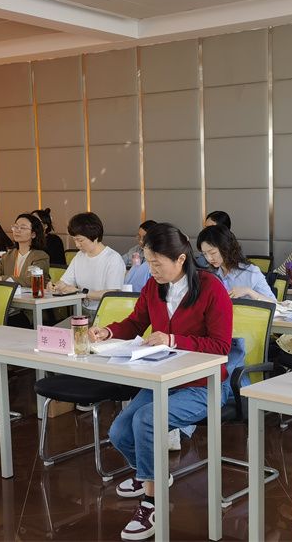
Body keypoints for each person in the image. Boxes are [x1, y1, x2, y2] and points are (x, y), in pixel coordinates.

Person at [88, 223, 233, 541]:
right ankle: (151, 474)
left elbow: (221, 347)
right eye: (148, 262)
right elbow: (135, 322)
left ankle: (152, 501)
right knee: (119, 431)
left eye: (157, 263)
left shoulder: (211, 288)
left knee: (146, 420)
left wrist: (173, 339)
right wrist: (108, 331)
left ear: (181, 259)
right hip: (164, 380)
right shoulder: (154, 287)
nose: (151, 270)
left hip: (203, 384)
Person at [48, 212, 125, 318]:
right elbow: (65, 281)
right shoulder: (79, 256)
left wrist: (80, 292)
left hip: (105, 312)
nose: (77, 245)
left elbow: (111, 293)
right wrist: (56, 286)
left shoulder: (113, 258)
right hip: (81, 309)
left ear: (95, 236)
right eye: (74, 240)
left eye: (80, 240)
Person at [197, 224, 275, 302]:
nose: (209, 258)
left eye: (213, 253)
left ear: (226, 248)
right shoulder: (212, 275)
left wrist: (249, 291)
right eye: (205, 254)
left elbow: (274, 303)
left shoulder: (251, 272)